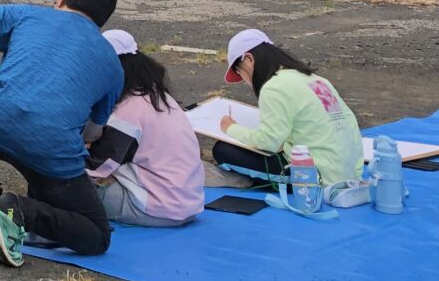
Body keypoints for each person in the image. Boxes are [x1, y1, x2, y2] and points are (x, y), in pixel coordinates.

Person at [0, 0, 125, 268]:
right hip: (52, 152)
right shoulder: (113, 64)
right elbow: (92, 134)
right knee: (98, 236)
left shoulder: (27, 16)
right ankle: (19, 211)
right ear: (103, 18)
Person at [213, 28, 364, 187]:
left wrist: (230, 128)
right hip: (348, 172)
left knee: (223, 150)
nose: (244, 79)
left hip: (315, 176)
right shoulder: (316, 80)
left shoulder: (273, 87)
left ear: (249, 59)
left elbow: (267, 142)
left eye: (239, 71)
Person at [85, 30, 204, 227]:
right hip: (187, 203)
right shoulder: (159, 97)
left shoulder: (127, 113)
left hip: (157, 209)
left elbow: (95, 167)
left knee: (69, 186)